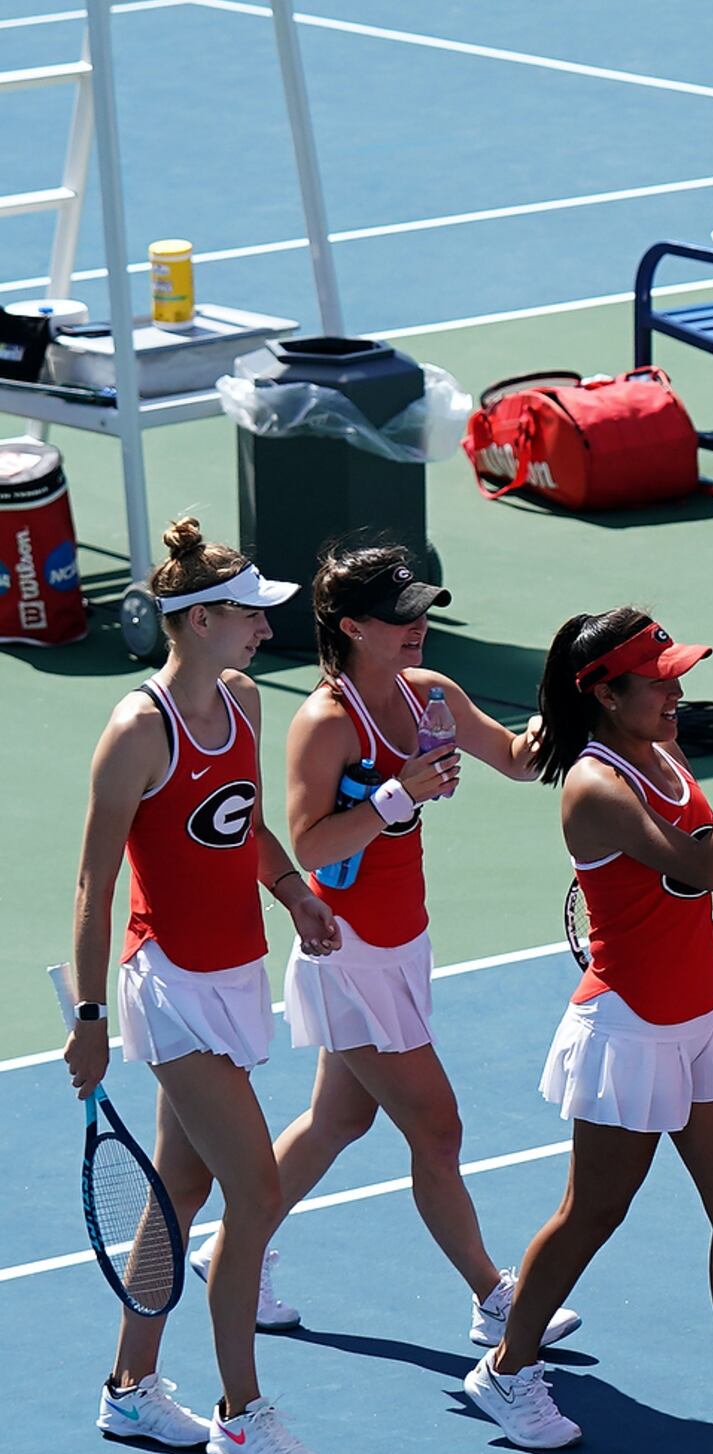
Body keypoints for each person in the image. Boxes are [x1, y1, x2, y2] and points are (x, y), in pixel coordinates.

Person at [458, 610, 713, 1454]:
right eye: (658, 680)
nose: (675, 690)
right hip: (634, 1030)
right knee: (594, 1209)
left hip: (705, 1017)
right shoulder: (594, 784)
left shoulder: (659, 749)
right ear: (605, 693)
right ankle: (508, 1367)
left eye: (675, 674)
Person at [64, 520, 347, 1454]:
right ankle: (241, 1412)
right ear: (203, 619)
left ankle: (129, 1388)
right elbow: (94, 886)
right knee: (255, 1193)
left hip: (236, 973)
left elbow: (242, 825)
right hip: (171, 987)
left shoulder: (239, 702)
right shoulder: (138, 732)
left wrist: (295, 891)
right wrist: (91, 1022)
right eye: (251, 617)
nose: (266, 631)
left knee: (179, 1193)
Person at [250, 542, 579, 1357]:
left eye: (421, 610)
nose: (418, 628)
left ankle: (235, 1251)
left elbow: (514, 758)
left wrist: (567, 705)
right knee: (438, 1129)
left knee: (337, 1118)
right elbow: (311, 846)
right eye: (400, 618)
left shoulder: (431, 694)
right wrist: (402, 794)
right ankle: (490, 1295)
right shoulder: (324, 723)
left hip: (403, 943)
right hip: (350, 954)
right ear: (353, 627)